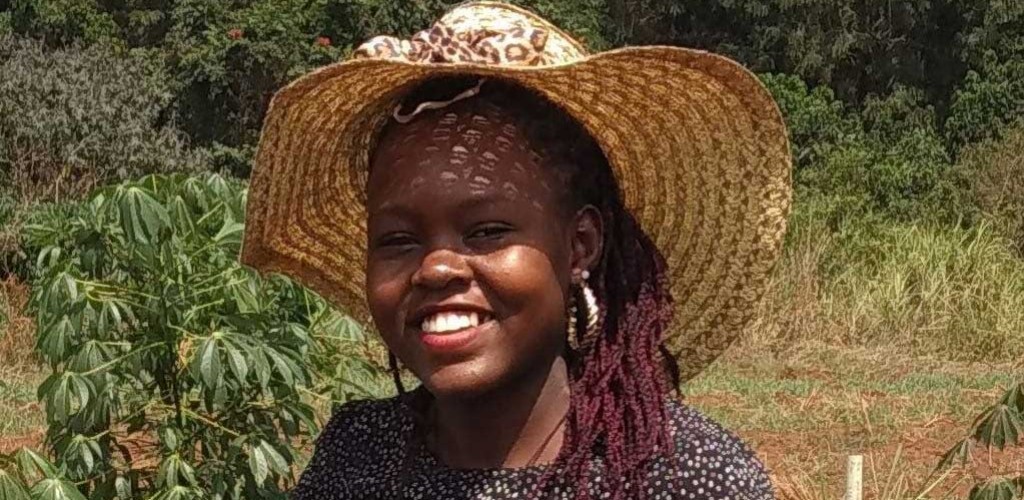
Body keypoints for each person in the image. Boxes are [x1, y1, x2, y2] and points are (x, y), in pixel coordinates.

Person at [241, 2, 792, 499]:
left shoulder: (681, 476)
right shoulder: (357, 453)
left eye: (486, 232)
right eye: (398, 240)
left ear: (580, 246)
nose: (434, 267)